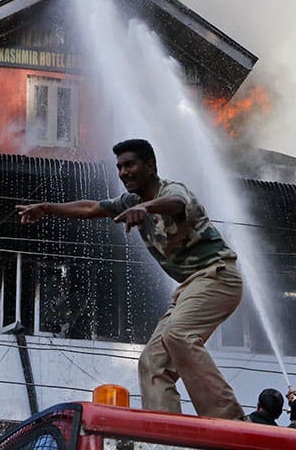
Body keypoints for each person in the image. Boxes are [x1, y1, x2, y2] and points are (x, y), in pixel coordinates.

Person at [16, 139, 244, 419]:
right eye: (120, 167)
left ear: (150, 166)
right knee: (152, 363)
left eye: (130, 164)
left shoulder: (172, 190)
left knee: (178, 334)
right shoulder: (130, 201)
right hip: (190, 288)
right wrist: (48, 208)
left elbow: (176, 203)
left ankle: (229, 421)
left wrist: (147, 209)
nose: (123, 172)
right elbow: (90, 208)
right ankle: (165, 437)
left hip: (218, 276)